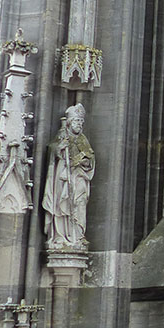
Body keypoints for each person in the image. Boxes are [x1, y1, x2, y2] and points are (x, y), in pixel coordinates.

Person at [42, 104, 95, 248]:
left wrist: (82, 161)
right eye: (77, 121)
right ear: (70, 122)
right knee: (62, 203)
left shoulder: (83, 139)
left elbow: (90, 158)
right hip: (63, 177)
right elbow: (52, 150)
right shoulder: (61, 136)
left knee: (80, 202)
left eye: (81, 121)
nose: (80, 124)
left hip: (79, 177)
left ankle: (77, 234)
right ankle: (61, 235)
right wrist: (59, 149)